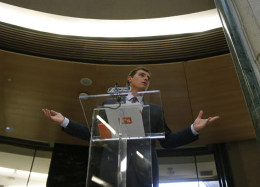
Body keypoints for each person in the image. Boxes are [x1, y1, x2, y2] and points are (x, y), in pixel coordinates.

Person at [42, 67, 219, 187]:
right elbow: (94, 133)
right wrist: (65, 121)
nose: (146, 79)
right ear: (129, 79)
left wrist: (193, 129)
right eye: (142, 75)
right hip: (111, 171)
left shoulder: (155, 110)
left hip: (144, 173)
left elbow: (167, 141)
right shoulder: (110, 103)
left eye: (148, 78)